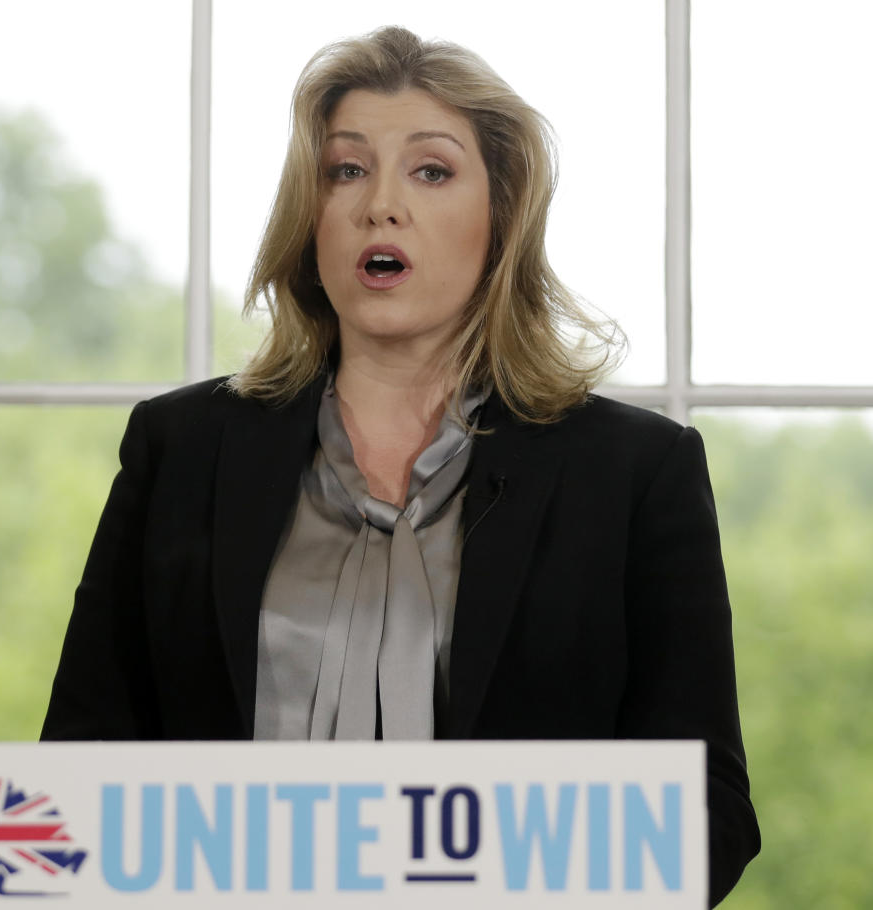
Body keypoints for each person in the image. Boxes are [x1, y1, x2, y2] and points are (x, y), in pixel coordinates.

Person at [41, 26, 760, 905]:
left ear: (501, 216)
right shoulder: (180, 451)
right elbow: (73, 784)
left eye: (430, 171)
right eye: (347, 170)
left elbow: (709, 816)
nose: (381, 204)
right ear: (311, 216)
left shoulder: (635, 472)